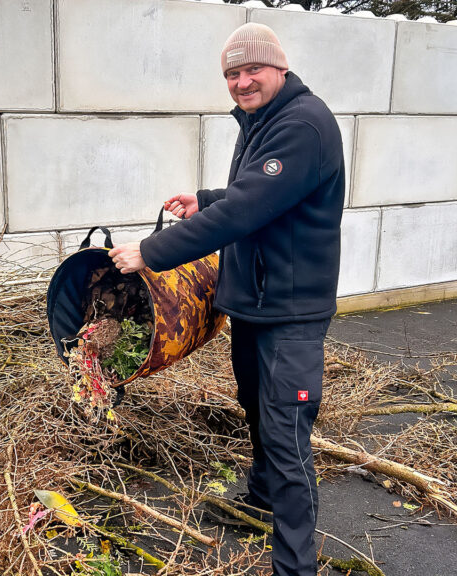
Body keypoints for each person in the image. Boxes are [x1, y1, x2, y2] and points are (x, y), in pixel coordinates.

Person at [108, 22, 345, 576]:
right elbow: (252, 193)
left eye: (252, 70)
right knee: (257, 408)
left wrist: (151, 252)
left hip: (291, 311)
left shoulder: (305, 124)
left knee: (286, 433)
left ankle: (295, 566)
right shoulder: (263, 118)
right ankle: (261, 499)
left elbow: (246, 211)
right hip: (256, 300)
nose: (242, 82)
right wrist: (205, 198)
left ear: (279, 68)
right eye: (232, 74)